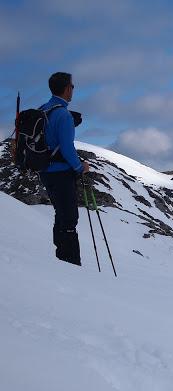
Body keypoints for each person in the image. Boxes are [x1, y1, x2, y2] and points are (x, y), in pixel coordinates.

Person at [38, 72, 90, 265]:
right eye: (72, 87)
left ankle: (60, 257)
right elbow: (67, 147)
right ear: (67, 88)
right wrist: (79, 166)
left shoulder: (43, 110)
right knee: (69, 218)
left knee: (61, 213)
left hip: (45, 171)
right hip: (61, 172)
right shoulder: (63, 114)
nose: (73, 90)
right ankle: (69, 263)